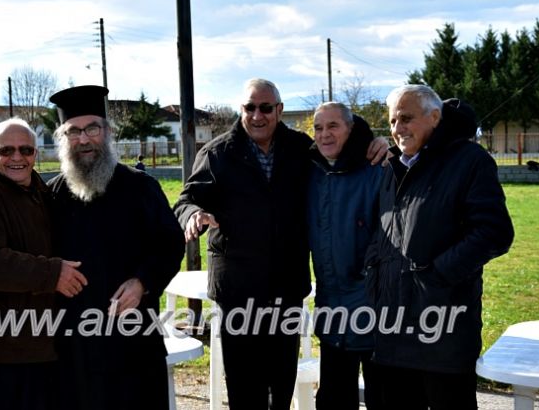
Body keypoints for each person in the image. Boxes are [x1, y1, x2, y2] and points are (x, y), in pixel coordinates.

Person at [174, 78, 388, 409]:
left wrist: (375, 142)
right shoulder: (218, 153)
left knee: (281, 383)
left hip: (285, 287)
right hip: (238, 291)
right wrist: (193, 214)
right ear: (241, 110)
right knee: (246, 388)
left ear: (279, 110)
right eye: (249, 107)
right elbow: (186, 199)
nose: (257, 115)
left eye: (265, 108)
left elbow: (341, 148)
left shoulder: (301, 148)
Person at [365, 85, 514, 409]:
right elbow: (387, 230)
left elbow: (495, 231)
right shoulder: (394, 165)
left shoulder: (469, 160)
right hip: (392, 328)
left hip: (443, 329)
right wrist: (374, 273)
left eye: (406, 118)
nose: (397, 129)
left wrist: (435, 275)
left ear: (434, 117)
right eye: (392, 121)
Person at [47, 85, 185, 410]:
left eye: (92, 128)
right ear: (62, 138)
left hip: (134, 341)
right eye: (74, 131)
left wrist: (143, 282)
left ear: (107, 132)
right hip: (73, 347)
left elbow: (170, 244)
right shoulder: (49, 198)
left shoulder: (141, 187)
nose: (84, 139)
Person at [0, 118, 88, 410]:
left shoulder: (38, 193)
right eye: (6, 150)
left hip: (29, 345)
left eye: (26, 150)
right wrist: (52, 273)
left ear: (36, 154)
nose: (17, 157)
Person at [307, 102, 384, 410]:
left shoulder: (379, 168)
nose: (324, 134)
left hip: (377, 314)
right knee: (334, 400)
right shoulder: (308, 170)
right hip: (331, 311)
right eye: (318, 127)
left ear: (352, 130)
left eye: (333, 126)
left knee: (385, 398)